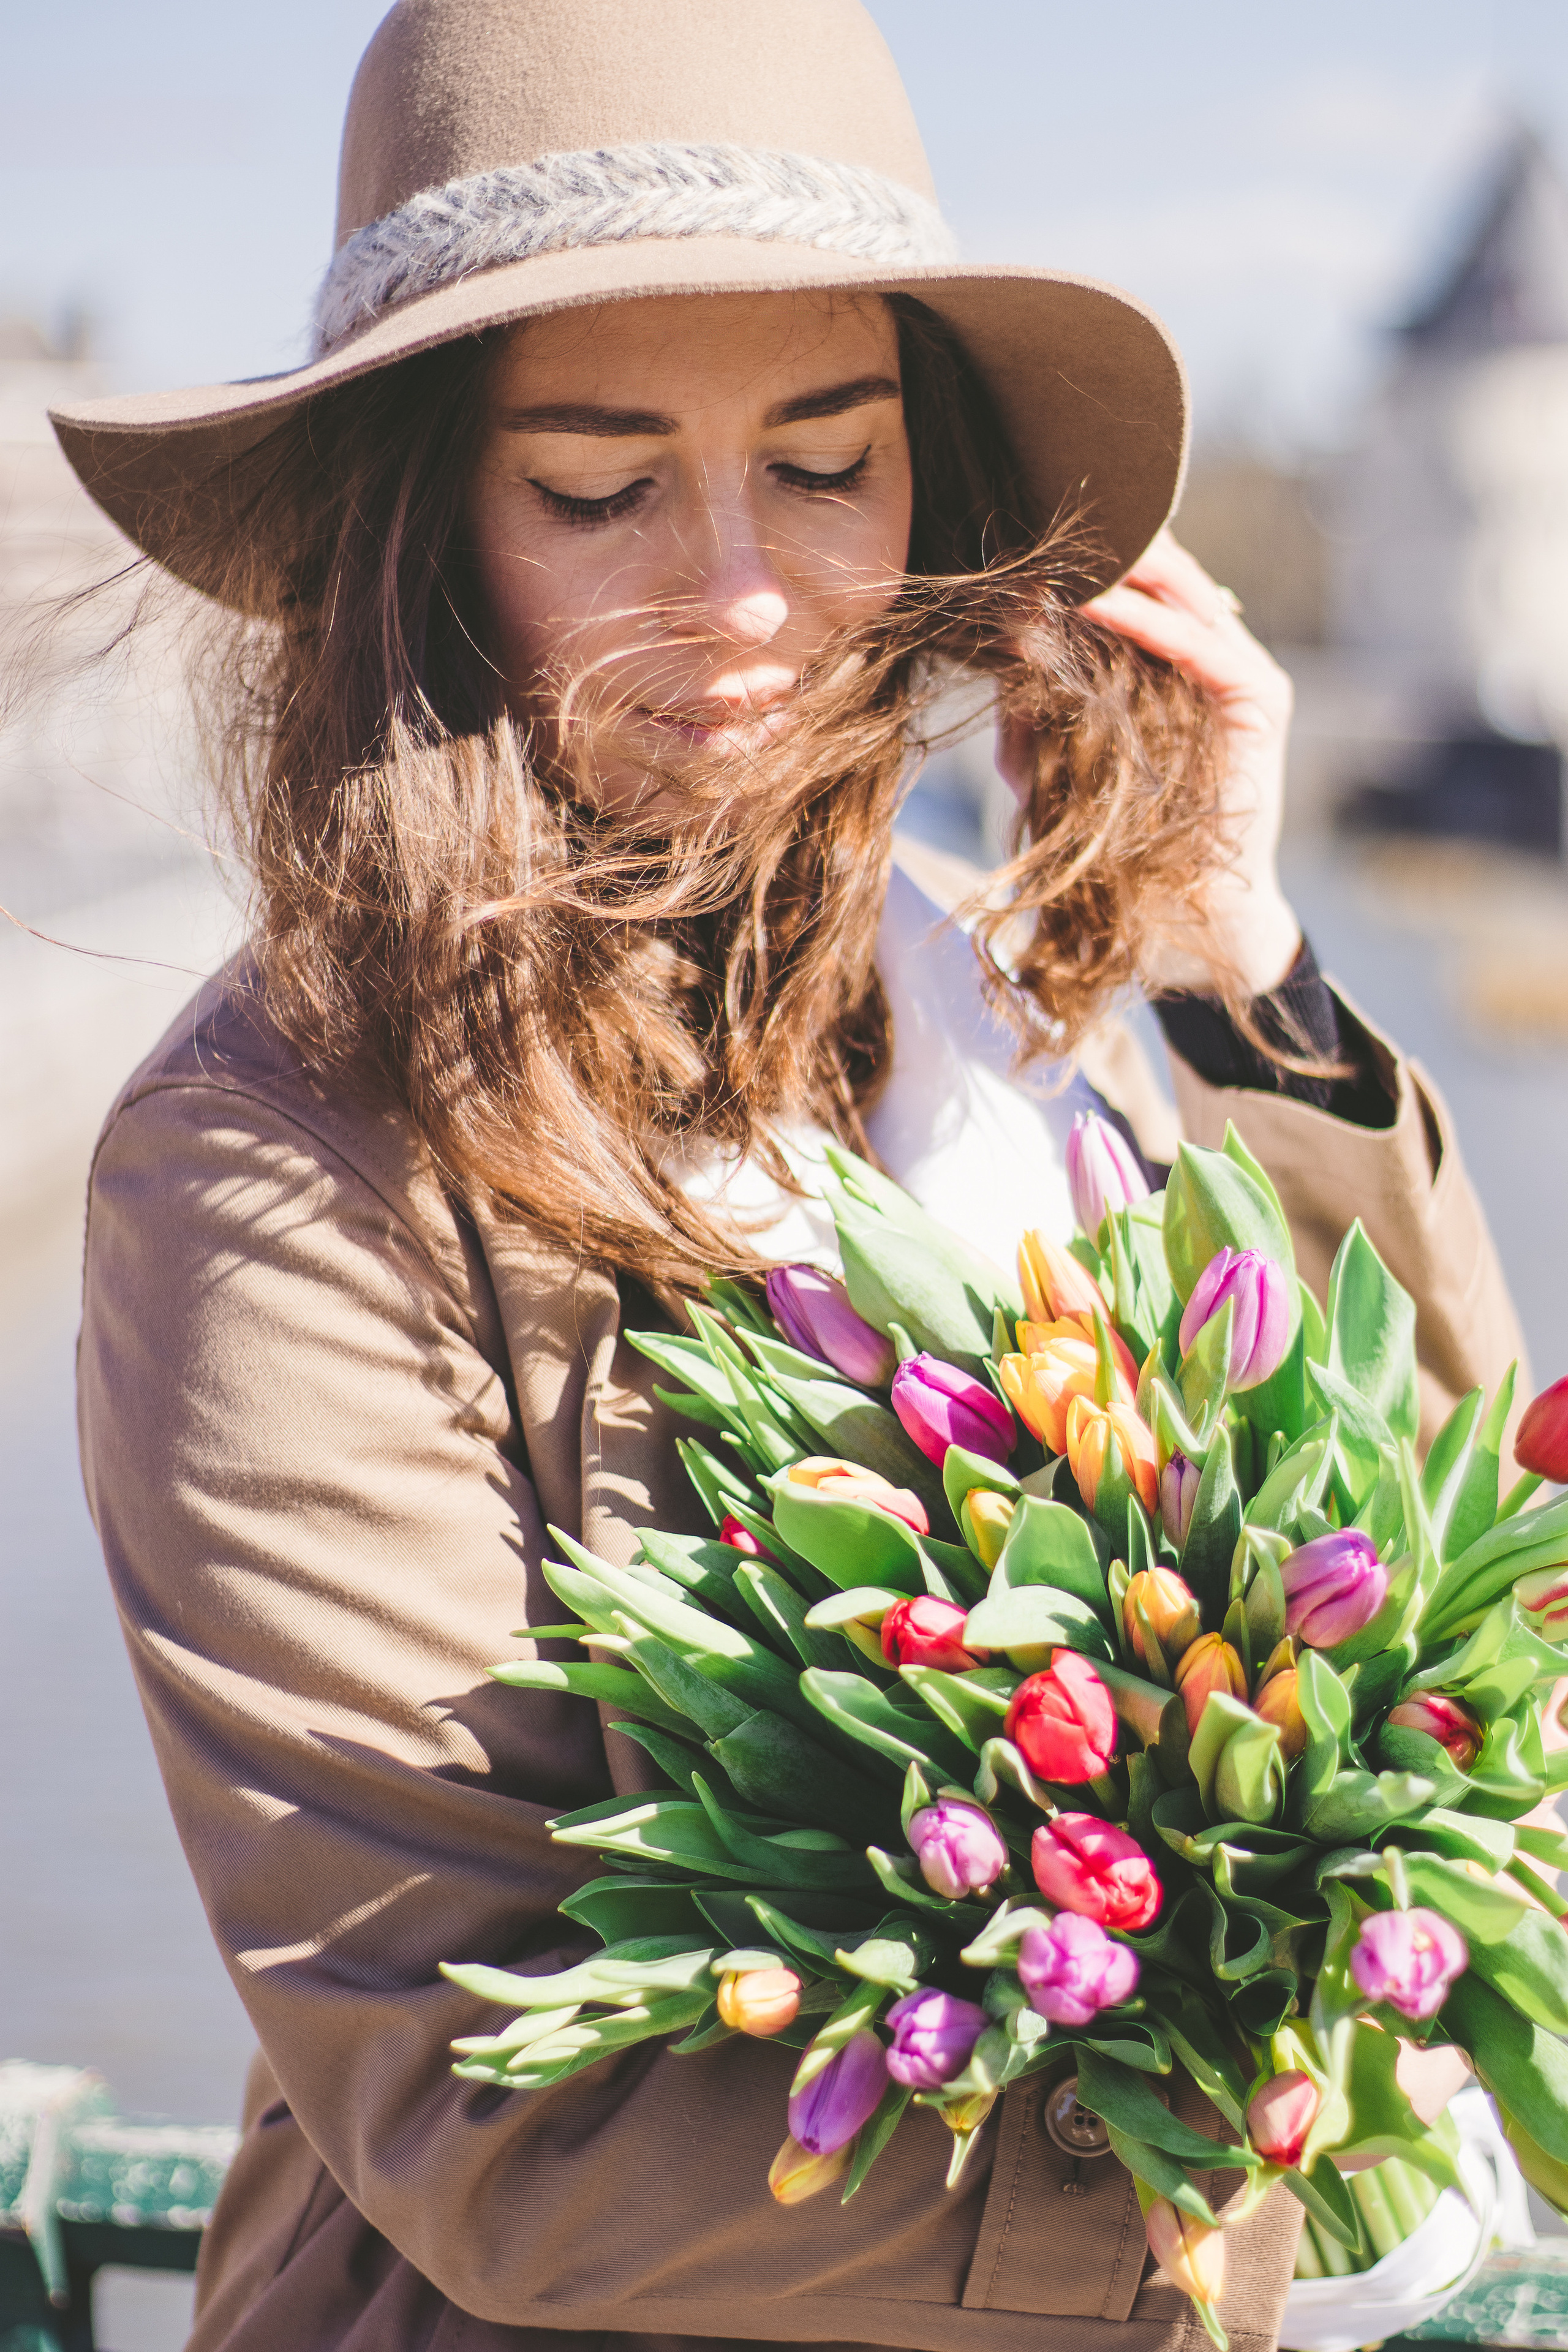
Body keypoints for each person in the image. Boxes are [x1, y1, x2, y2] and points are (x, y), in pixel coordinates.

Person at [59, 4, 1518, 2350]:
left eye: (826, 461)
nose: (742, 600)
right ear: (423, 514)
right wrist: (1246, 2217)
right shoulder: (270, 1169)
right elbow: (494, 2115)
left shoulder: (1006, 1009)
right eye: (601, 487)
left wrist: (1238, 969)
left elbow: (1453, 1614)